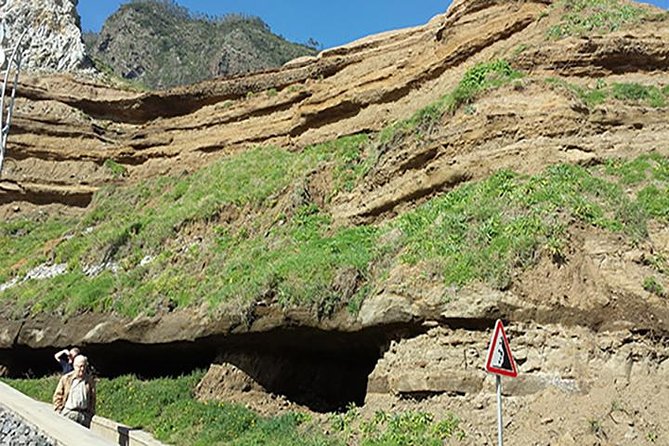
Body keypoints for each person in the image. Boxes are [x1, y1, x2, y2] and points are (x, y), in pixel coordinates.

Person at [53, 355, 96, 428]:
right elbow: (58, 395)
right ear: (74, 366)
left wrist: (90, 413)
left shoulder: (89, 381)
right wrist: (58, 410)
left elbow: (93, 398)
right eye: (80, 366)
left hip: (83, 415)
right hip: (68, 413)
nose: (82, 369)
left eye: (84, 366)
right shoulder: (66, 379)